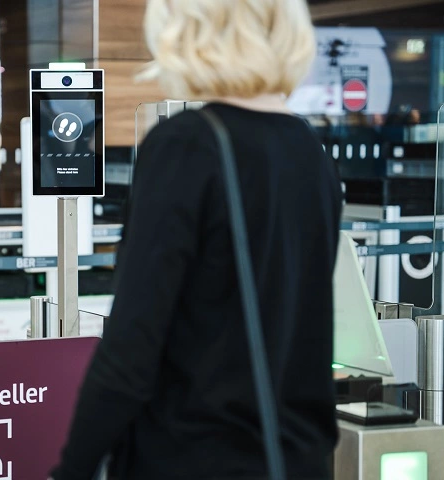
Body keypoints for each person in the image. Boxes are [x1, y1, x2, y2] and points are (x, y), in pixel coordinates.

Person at [50, 0, 342, 479]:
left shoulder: (187, 144)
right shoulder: (310, 151)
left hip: (194, 456)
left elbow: (132, 349)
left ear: (185, 31)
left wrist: (72, 468)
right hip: (295, 458)